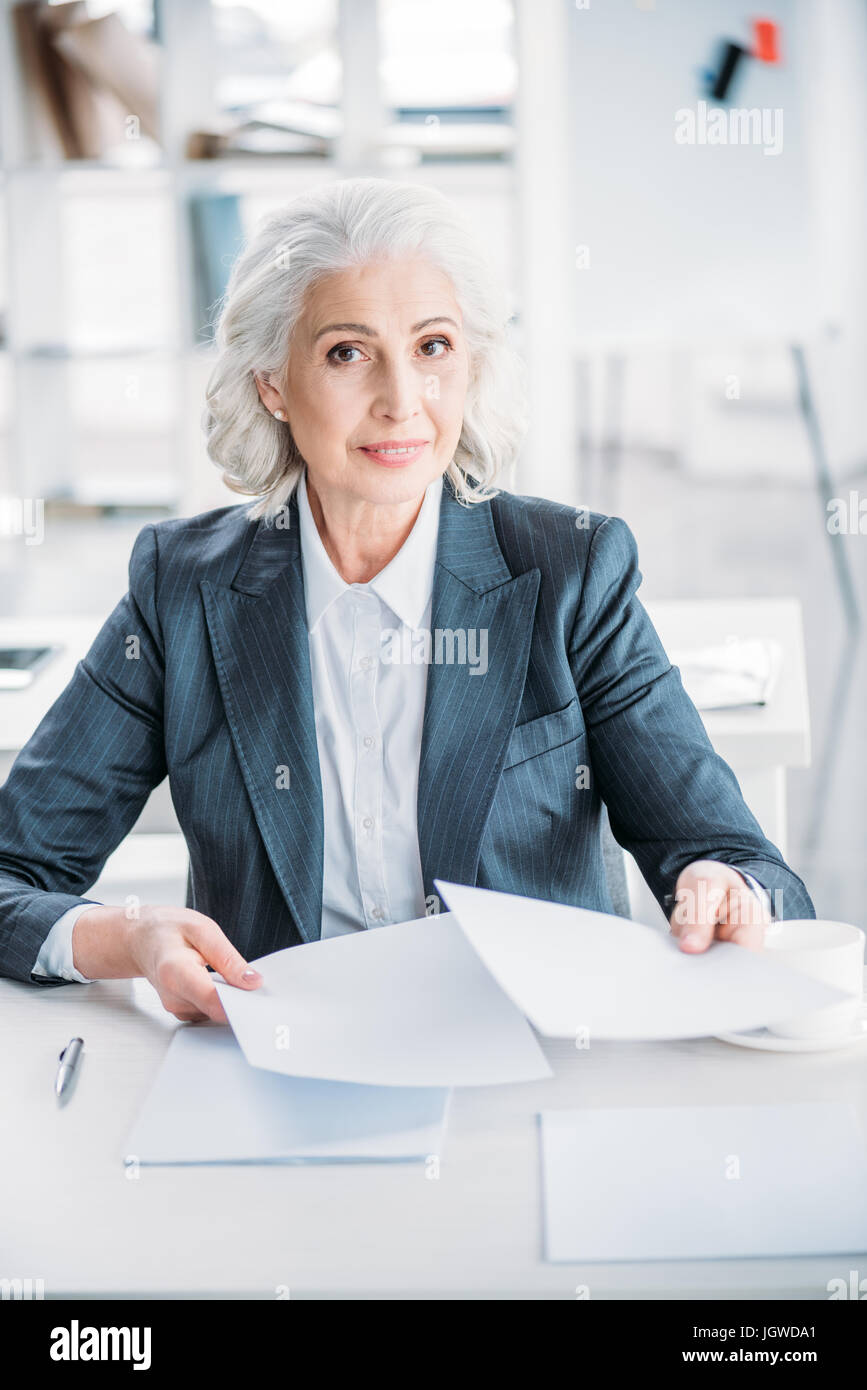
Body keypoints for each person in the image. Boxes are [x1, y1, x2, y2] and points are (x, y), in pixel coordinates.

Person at [0, 178, 814, 1022]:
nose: (402, 400)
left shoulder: (573, 571)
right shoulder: (182, 588)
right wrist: (127, 936)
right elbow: (9, 879)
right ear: (272, 385)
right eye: (347, 353)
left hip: (536, 1067)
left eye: (432, 347)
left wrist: (726, 888)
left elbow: (744, 865)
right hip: (277, 1072)